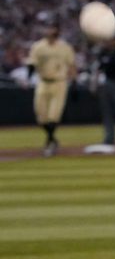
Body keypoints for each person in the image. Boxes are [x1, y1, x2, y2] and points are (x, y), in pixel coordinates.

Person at [26, 22, 76, 157]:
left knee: (54, 115)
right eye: (49, 28)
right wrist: (28, 78)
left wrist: (74, 81)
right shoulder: (38, 46)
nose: (50, 31)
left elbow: (71, 65)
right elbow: (32, 63)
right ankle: (53, 139)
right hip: (43, 82)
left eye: (53, 28)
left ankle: (49, 143)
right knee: (41, 115)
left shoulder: (65, 47)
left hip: (59, 82)